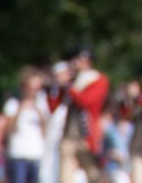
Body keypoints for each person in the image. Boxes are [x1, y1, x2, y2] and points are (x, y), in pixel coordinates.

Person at [0, 67, 50, 183]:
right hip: (18, 153)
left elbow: (45, 131)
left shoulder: (42, 104)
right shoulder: (13, 104)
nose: (33, 92)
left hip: (37, 153)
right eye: (30, 89)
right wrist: (20, 110)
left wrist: (39, 112)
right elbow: (9, 130)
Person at [59, 48, 110, 183]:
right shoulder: (71, 81)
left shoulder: (98, 80)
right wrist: (56, 86)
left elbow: (86, 102)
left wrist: (70, 87)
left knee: (94, 176)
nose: (74, 63)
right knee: (65, 178)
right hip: (69, 135)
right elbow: (54, 106)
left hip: (87, 136)